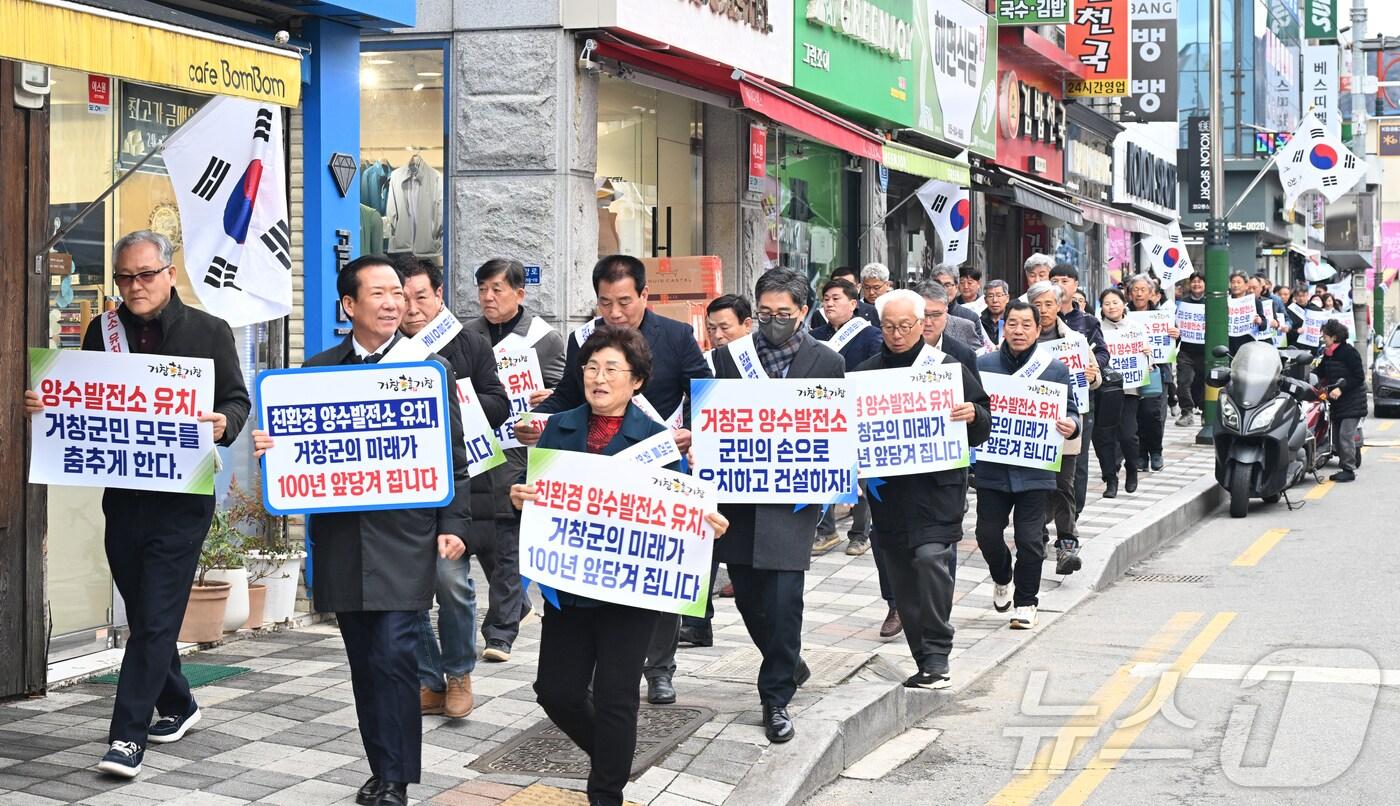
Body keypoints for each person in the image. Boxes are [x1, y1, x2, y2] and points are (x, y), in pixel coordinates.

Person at [22, 231, 249, 779]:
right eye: (124, 277)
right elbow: (84, 396)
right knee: (147, 612)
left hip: (182, 497)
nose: (135, 285)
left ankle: (127, 736)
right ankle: (179, 703)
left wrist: (224, 423)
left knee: (154, 618)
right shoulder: (103, 331)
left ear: (169, 273)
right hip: (123, 497)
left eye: (145, 274)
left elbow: (236, 399)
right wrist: (46, 404)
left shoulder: (209, 331)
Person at [253, 255, 472, 806]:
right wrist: (272, 449)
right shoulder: (315, 372)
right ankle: (381, 768)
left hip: (405, 538)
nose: (394, 303)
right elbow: (299, 450)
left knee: (396, 655)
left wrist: (453, 526)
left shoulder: (428, 369)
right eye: (379, 293)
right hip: (343, 541)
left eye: (399, 293)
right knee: (366, 663)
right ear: (349, 305)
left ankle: (396, 779)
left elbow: (456, 458)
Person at [510, 325, 728, 806]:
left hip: (630, 593)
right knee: (557, 692)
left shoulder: (656, 441)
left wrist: (705, 525)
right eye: (591, 367)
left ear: (637, 381)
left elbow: (677, 509)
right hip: (569, 587)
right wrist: (520, 497)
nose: (599, 378)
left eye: (612, 369)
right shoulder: (558, 428)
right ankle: (614, 756)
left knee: (616, 696)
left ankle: (606, 791)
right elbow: (539, 500)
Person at [520, 254, 711, 706]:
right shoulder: (584, 340)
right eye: (605, 303)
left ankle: (659, 668)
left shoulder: (677, 336)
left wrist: (692, 432)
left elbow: (703, 392)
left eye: (624, 302)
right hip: (595, 466)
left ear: (644, 295)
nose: (615, 312)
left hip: (654, 461)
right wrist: (535, 421)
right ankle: (588, 668)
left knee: (654, 564)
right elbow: (568, 395)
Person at [709, 268, 844, 743]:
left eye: (783, 313)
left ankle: (775, 696)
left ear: (803, 312)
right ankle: (787, 660)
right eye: (764, 313)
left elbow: (835, 430)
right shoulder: (727, 357)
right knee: (749, 599)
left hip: (792, 500)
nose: (772, 321)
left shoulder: (827, 361)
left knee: (785, 600)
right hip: (739, 498)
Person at [853, 290, 990, 689]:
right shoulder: (863, 374)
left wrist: (973, 414)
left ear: (921, 324)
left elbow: (984, 421)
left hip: (937, 492)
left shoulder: (946, 367)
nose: (897, 334)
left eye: (905, 326)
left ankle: (938, 652)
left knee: (930, 560)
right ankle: (925, 659)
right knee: (902, 579)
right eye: (889, 327)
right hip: (889, 496)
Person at [395, 257, 511, 718]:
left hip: (457, 488)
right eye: (402, 298)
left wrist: (447, 400)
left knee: (452, 584)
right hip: (400, 491)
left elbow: (500, 403)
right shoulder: (383, 349)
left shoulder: (469, 343)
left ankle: (459, 673)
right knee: (408, 591)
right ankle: (428, 680)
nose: (411, 308)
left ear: (439, 295)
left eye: (421, 297)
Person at [463, 258, 568, 664]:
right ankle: (519, 605)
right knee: (487, 539)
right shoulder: (466, 335)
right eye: (482, 289)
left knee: (509, 540)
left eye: (497, 289)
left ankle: (500, 632)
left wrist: (551, 396)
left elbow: (565, 392)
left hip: (520, 454)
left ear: (519, 294)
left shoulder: (544, 339)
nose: (488, 297)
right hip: (477, 452)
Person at [976, 301, 1080, 629]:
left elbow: (1072, 410)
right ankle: (1002, 576)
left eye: (1026, 325)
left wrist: (1072, 424)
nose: (1018, 331)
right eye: (1012, 324)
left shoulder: (1054, 369)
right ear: (1002, 327)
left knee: (1030, 539)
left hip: (1035, 469)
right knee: (987, 535)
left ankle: (1026, 602)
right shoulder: (983, 365)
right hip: (993, 468)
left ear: (1037, 330)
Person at [1027, 282, 1098, 575]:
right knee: (1034, 486)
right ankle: (1038, 534)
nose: (1044, 310)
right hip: (1029, 425)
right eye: (1038, 305)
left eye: (1049, 304)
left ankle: (1067, 543)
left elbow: (1095, 378)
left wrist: (1092, 377)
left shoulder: (1075, 340)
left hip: (1064, 425)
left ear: (1059, 306)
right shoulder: (1020, 338)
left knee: (1063, 484)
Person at [811, 278, 882, 556]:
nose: (829, 304)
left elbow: (875, 371)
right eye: (826, 299)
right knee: (824, 469)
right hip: (823, 413)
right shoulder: (815, 334)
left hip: (858, 412)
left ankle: (860, 533)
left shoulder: (870, 335)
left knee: (860, 473)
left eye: (836, 298)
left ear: (853, 304)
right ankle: (826, 530)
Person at [1048, 264, 1108, 515]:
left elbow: (1102, 352)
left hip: (1080, 398)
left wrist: (1093, 369)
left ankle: (1074, 512)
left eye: (1065, 280)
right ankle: (1046, 512)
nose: (1059, 285)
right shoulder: (1038, 321)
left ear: (1075, 285)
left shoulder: (1087, 322)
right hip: (1046, 400)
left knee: (1077, 460)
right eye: (1054, 280)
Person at [1095, 288, 1148, 497]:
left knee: (1128, 435)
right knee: (1105, 437)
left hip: (1129, 390)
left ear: (1124, 303)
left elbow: (1148, 358)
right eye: (1107, 303)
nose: (1111, 307)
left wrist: (1147, 355)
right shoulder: (1097, 328)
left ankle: (1132, 468)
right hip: (1105, 390)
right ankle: (1110, 479)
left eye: (1115, 302)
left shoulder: (1136, 327)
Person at [1126, 274, 1176, 472]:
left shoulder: (1161, 317)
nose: (1139, 294)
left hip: (1156, 372)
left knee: (1153, 413)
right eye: (1135, 290)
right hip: (1130, 372)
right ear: (1129, 293)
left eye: (1143, 290)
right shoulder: (1123, 314)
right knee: (1135, 414)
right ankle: (1140, 454)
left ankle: (1155, 451)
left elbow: (1170, 344)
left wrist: (1176, 335)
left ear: (1151, 293)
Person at [1316, 319, 1367, 482]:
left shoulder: (1349, 352)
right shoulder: (1328, 354)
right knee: (1337, 438)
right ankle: (1345, 465)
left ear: (1334, 337)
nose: (1323, 338)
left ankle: (1349, 470)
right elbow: (1320, 371)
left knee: (1345, 436)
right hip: (1337, 403)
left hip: (1353, 401)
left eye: (1325, 336)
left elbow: (1359, 377)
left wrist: (1341, 388)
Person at [1175, 274, 1206, 426]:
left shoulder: (1211, 302)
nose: (1196, 284)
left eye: (1200, 281)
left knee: (1205, 383)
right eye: (1193, 281)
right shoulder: (1183, 303)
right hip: (1186, 351)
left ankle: (1206, 412)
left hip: (1206, 351)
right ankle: (1186, 412)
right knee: (1183, 381)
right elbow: (1176, 324)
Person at [811, 266, 880, 329]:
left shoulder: (870, 311)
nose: (842, 289)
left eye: (848, 286)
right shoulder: (820, 314)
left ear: (858, 288)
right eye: (837, 285)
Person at [981, 279, 1011, 346]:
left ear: (1007, 298)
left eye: (999, 295)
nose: (995, 300)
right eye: (990, 296)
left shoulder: (1013, 318)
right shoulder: (979, 320)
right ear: (985, 300)